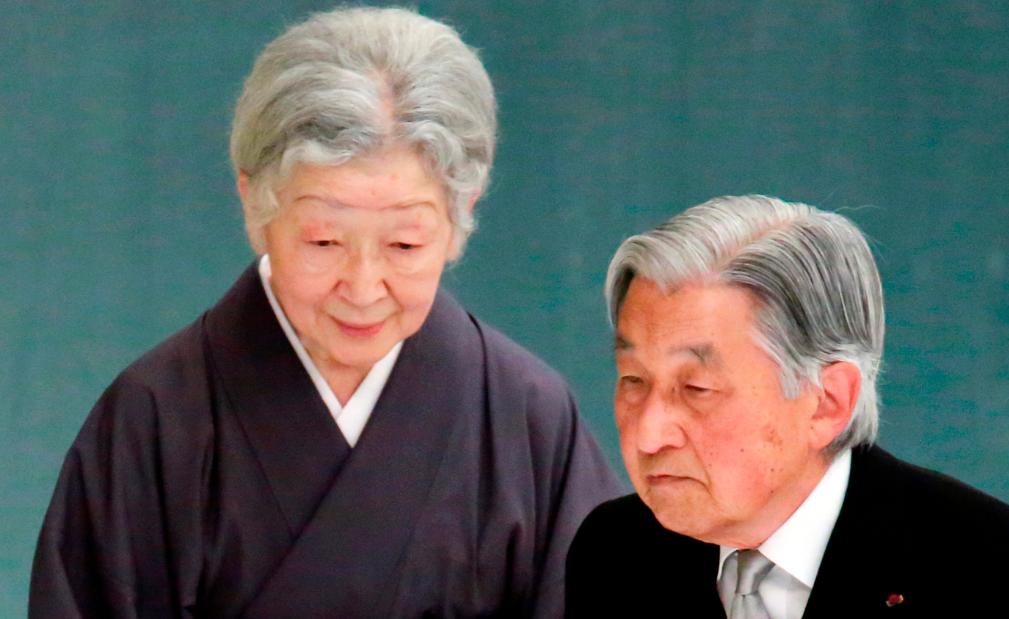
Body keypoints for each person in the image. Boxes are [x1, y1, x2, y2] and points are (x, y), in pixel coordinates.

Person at [30, 7, 621, 618]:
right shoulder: (155, 418)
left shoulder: (525, 417)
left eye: (405, 245)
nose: (363, 288)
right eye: (323, 242)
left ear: (460, 214)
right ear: (254, 204)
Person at [565, 195, 1009, 618]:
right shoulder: (616, 552)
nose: (649, 434)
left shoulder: (995, 572)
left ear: (827, 403)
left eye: (696, 389)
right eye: (633, 380)